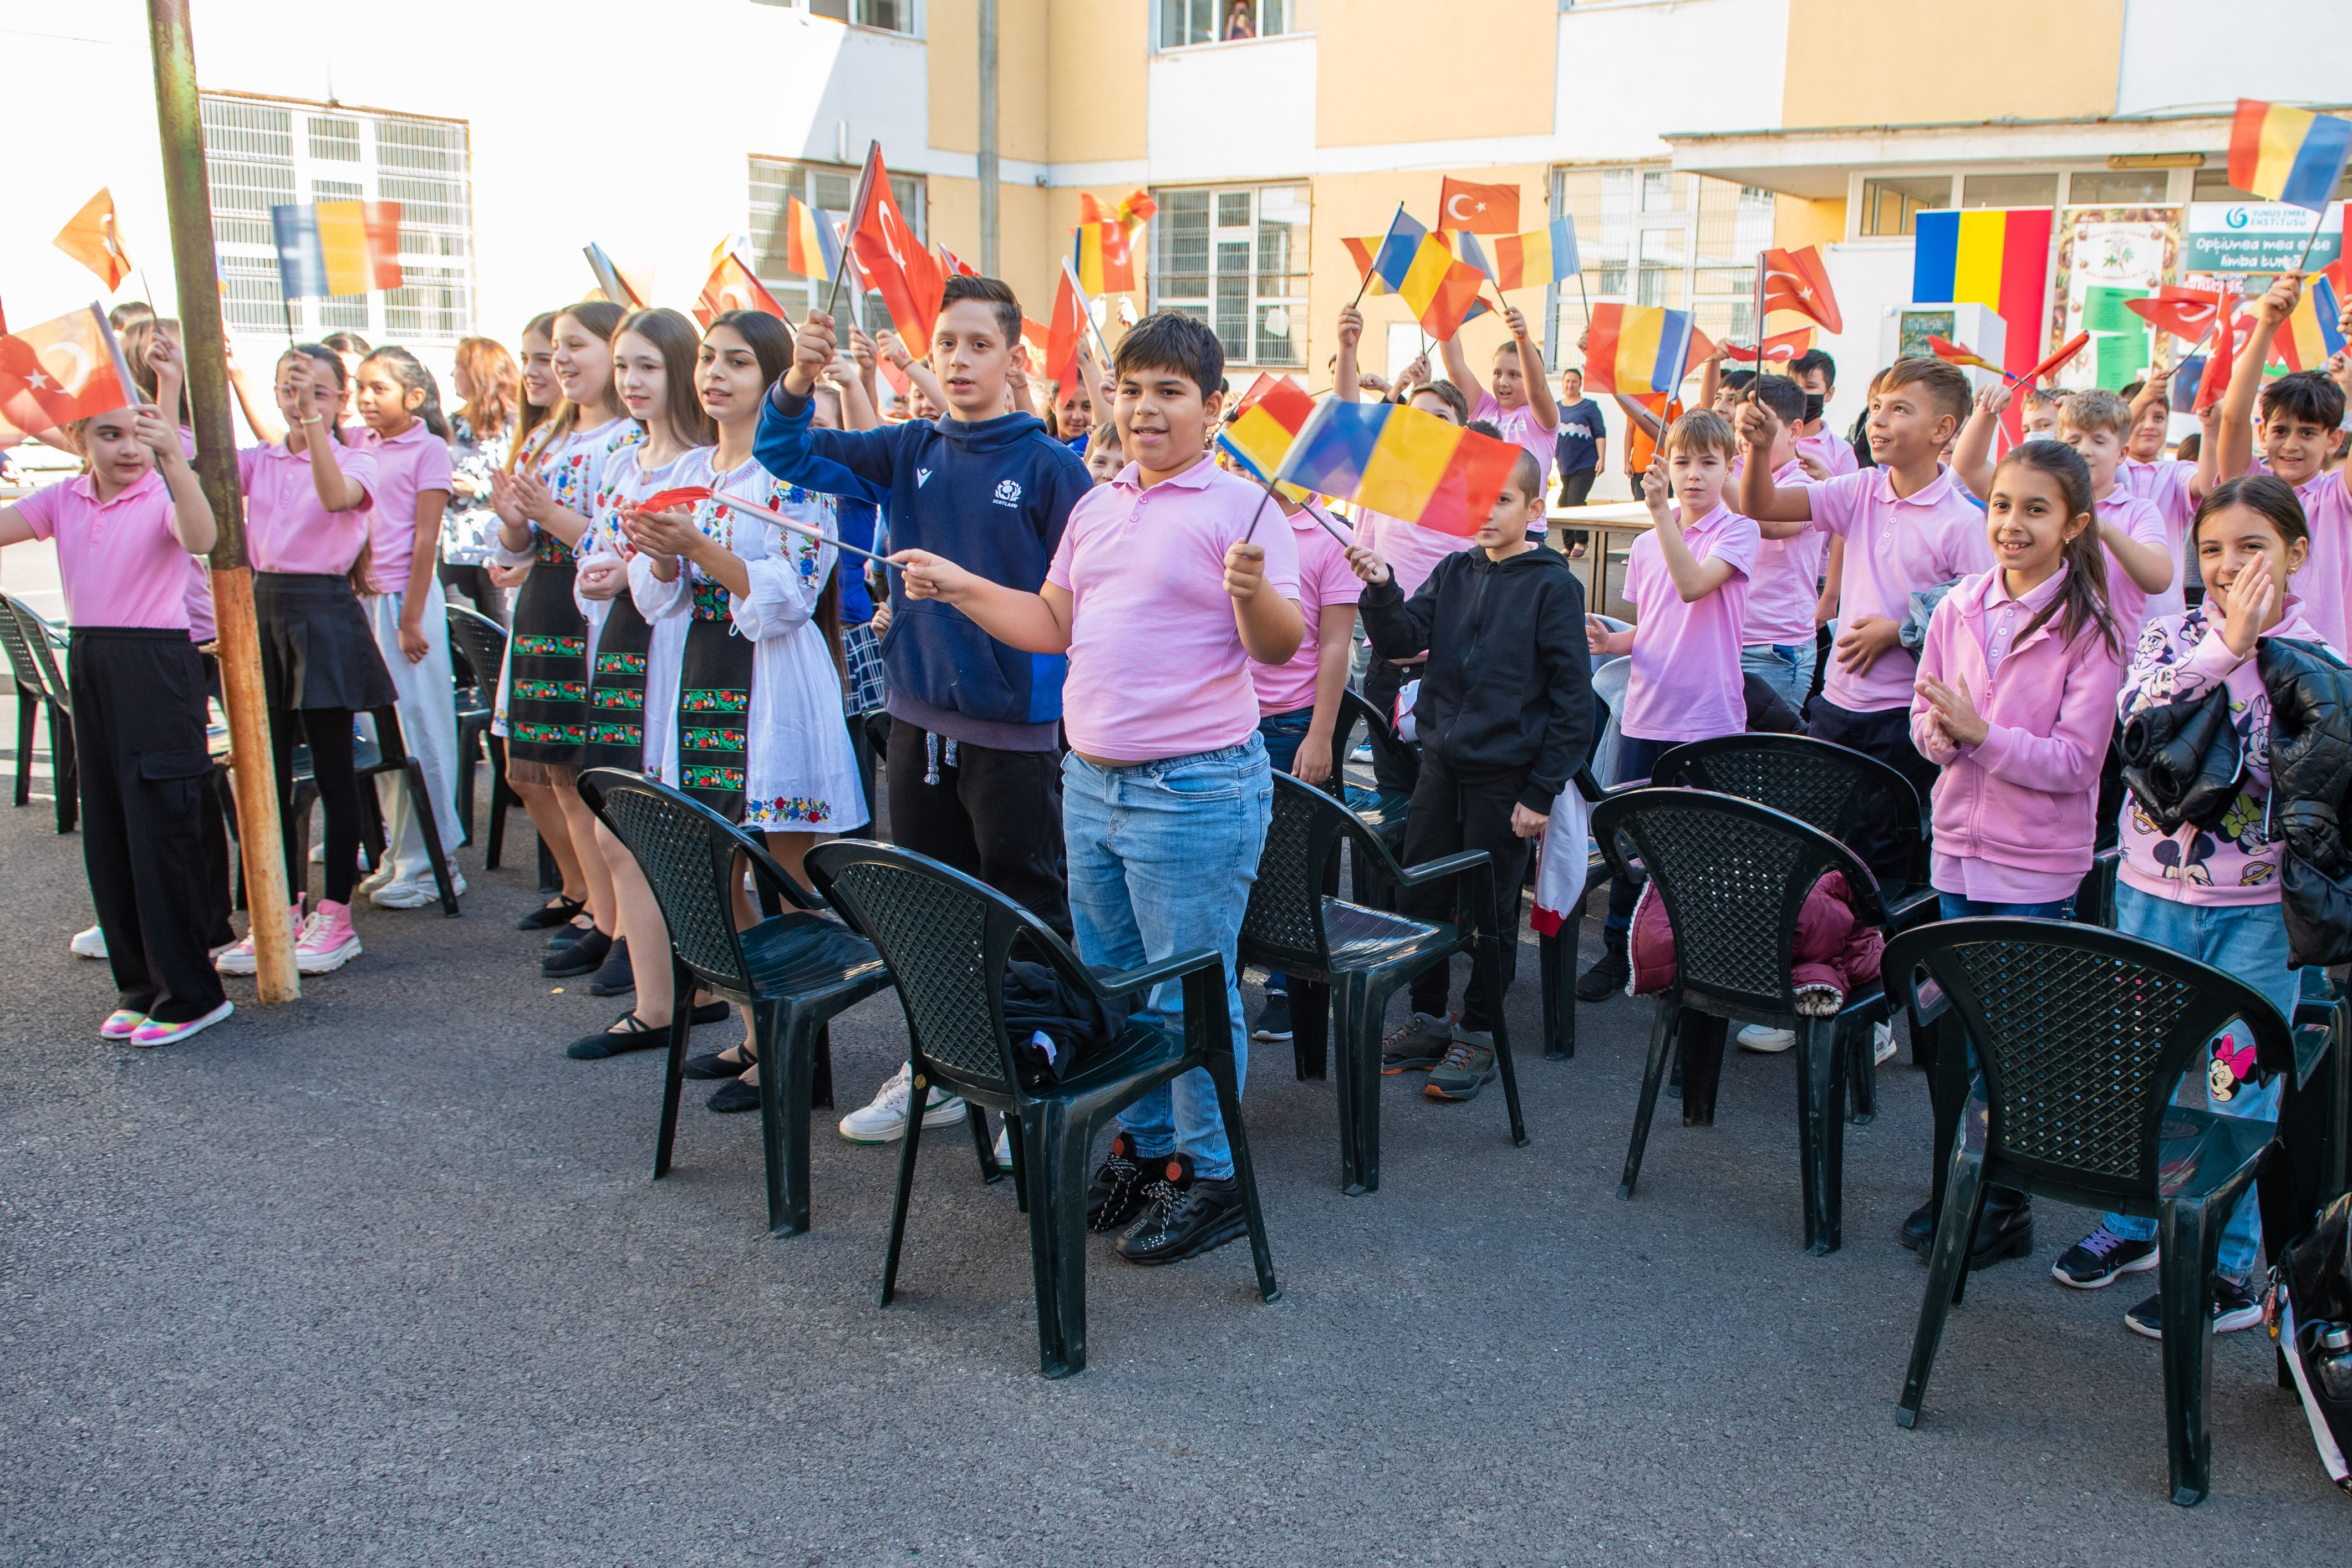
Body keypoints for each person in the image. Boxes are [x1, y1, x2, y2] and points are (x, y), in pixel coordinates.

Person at [893, 311, 1303, 1266]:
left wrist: (1250, 590)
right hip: (1092, 783)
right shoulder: (1100, 503)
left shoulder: (1244, 511)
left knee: (1191, 997)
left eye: (1169, 391)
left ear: (1214, 406)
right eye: (1132, 388)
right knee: (1116, 986)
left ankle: (1213, 1176)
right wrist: (957, 585)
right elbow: (1050, 622)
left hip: (1194, 790)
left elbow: (1277, 651)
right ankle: (1150, 1149)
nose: (1145, 409)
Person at [2053, 476, 2330, 1337]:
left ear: (2297, 554)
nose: (2226, 566)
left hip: (2253, 916)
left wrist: (2263, 657)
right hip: (2149, 899)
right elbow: (2135, 724)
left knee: (2233, 1090)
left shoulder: (2319, 661)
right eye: (2211, 549)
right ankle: (2136, 1226)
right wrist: (2224, 647)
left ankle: (2223, 1264)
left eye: (2251, 548)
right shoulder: (2168, 636)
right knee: (2144, 1066)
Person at [756, 276, 1087, 945]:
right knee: (930, 907)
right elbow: (783, 451)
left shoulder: (1054, 467)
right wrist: (798, 378)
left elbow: (1085, 611)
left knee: (1026, 909)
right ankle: (946, 1047)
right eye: (946, 343)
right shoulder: (905, 447)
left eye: (979, 344)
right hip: (914, 721)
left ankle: (1037, 1041)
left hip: (1014, 733)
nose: (959, 359)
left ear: (1014, 360)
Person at [608, 311, 866, 1106]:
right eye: (710, 359)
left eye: (740, 362)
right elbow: (658, 602)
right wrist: (654, 553)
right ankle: (760, 1030)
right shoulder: (688, 466)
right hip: (701, 679)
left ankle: (800, 1053)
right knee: (715, 864)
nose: (715, 374)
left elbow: (794, 593)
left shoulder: (795, 471)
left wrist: (700, 551)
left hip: (775, 682)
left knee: (785, 872)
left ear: (775, 378)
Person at [1902, 440, 2127, 1262]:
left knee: (2015, 1045)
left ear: (2073, 525)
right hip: (1958, 850)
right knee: (1961, 1036)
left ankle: (2003, 1205)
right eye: (2001, 504)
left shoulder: (2090, 628)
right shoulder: (1959, 605)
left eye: (2035, 509)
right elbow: (1925, 718)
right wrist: (1939, 734)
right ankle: (1960, 1184)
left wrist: (1980, 736)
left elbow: (2077, 766)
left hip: (2034, 865)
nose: (2012, 523)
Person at [1350, 427, 1592, 1093]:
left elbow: (1577, 705)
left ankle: (1479, 1031)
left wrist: (1542, 791)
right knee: (1420, 893)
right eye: (1479, 498)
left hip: (1506, 780)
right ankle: (1427, 1016)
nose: (1488, 512)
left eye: (1505, 499)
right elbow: (1402, 640)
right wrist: (1381, 587)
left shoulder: (1553, 589)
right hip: (1439, 770)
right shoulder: (1455, 570)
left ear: (1535, 510)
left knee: (1488, 911)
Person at [0, 400, 231, 1045]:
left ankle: (192, 991)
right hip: (92, 657)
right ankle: (139, 985)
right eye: (110, 435)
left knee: (163, 824)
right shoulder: (63, 498)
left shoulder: (162, 489)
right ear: (80, 438)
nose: (127, 448)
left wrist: (174, 462)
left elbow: (202, 538)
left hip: (156, 663)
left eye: (139, 436)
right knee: (108, 825)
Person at [1737, 357, 1993, 885]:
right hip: (1835, 710)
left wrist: (1898, 631)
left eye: (1900, 409)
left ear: (1944, 429)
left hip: (1903, 719)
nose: (1878, 420)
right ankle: (1823, 962)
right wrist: (1761, 450)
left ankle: (1872, 960)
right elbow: (1760, 506)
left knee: (1879, 862)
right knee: (1819, 848)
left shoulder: (1964, 521)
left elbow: (1980, 624)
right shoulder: (1860, 490)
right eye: (1876, 406)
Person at [215, 345, 394, 978]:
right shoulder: (259, 459)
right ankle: (277, 911)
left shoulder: (359, 454)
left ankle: (336, 914)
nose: (302, 403)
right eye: (291, 390)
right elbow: (184, 467)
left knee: (332, 771)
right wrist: (182, 379)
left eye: (318, 391)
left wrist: (313, 424)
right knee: (261, 774)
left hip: (322, 610)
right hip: (261, 608)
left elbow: (336, 496)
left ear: (341, 400)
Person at [1577, 410, 1760, 1002]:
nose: (1695, 474)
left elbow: (1693, 586)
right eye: (1683, 462)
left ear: (1731, 466)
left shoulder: (1738, 531)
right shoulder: (1650, 542)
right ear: (1666, 466)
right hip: (1647, 709)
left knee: (1702, 848)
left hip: (1708, 717)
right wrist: (1615, 641)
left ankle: (1695, 957)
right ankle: (1619, 952)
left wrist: (1659, 514)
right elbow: (1658, 622)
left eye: (1710, 462)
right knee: (1632, 841)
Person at [559, 307, 714, 1006]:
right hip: (619, 647)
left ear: (681, 368)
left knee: (668, 829)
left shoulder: (702, 464)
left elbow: (698, 567)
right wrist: (598, 570)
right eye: (623, 365)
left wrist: (631, 571)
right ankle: (654, 994)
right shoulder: (623, 461)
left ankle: (693, 983)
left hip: (676, 653)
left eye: (648, 365)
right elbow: (600, 542)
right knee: (615, 821)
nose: (631, 380)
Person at [490, 304, 642, 967]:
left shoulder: (625, 439)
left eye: (575, 345)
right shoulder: (547, 435)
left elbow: (610, 538)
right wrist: (514, 525)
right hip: (544, 599)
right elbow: (517, 538)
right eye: (556, 347)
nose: (560, 360)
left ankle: (620, 920)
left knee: (587, 771)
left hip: (592, 606)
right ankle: (594, 907)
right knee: (551, 771)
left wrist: (543, 515)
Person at [1335, 304, 1475, 793]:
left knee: (1444, 799)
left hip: (1452, 675)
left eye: (1443, 417)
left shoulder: (1479, 500)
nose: (1431, 425)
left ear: (1462, 431)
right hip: (1388, 668)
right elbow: (1347, 427)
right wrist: (1348, 349)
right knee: (1395, 790)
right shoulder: (1384, 481)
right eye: (1420, 417)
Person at [1244, 485, 1361, 1045]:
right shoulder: (1238, 515)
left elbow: (1336, 645)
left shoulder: (1331, 535)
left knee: (1286, 861)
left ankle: (1286, 987)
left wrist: (1321, 733)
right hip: (1227, 716)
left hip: (1291, 721)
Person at [351, 345, 466, 911]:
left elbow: (426, 538)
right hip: (367, 602)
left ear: (414, 397)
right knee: (380, 739)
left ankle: (435, 862)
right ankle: (400, 853)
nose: (366, 398)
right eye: (361, 386)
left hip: (404, 603)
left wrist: (412, 617)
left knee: (421, 732)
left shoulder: (429, 449)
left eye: (378, 387)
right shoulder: (359, 443)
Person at [1956, 385, 2175, 629]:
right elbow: (1969, 465)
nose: (2085, 450)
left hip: (2112, 656)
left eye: (2099, 441)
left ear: (2122, 453)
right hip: (2037, 648)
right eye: (2074, 440)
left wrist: (2101, 528)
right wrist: (1987, 411)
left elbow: (2159, 580)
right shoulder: (2034, 493)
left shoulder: (2138, 511)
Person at [2215, 273, 2352, 651]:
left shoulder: (2338, 496)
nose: (2291, 445)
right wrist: (2268, 324)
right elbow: (2232, 417)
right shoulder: (2251, 488)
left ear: (2334, 440)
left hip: (2328, 671)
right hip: (2250, 661)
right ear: (2263, 434)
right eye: (2281, 431)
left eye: (2308, 433)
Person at [1737, 376, 1830, 717]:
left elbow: (1772, 523)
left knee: (1760, 761)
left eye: (1761, 425)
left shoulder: (1804, 485)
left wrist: (1712, 483)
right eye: (1742, 425)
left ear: (1794, 431)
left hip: (1774, 648)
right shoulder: (1734, 473)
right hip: (1729, 638)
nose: (1748, 437)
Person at [1441, 303, 1560, 542]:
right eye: (1497, 373)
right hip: (1481, 526)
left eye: (1514, 375)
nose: (1503, 382)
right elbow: (1456, 368)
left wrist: (1523, 339)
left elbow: (1537, 389)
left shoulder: (1540, 419)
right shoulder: (1485, 407)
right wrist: (1444, 317)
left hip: (1526, 533)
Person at [442, 335, 521, 627]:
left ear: (478, 373)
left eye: (458, 366)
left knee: (501, 629)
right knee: (462, 633)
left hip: (497, 545)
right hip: (456, 548)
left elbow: (523, 482)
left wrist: (478, 489)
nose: (452, 375)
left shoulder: (518, 424)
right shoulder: (453, 424)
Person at [1552, 365, 1606, 508]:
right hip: (1562, 464)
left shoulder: (1589, 406)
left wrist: (1601, 458)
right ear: (1563, 384)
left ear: (1580, 384)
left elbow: (1600, 433)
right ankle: (1568, 532)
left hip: (1584, 463)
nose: (1571, 385)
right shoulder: (1555, 408)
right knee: (1563, 504)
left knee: (1575, 503)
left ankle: (1580, 531)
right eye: (1568, 381)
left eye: (1574, 381)